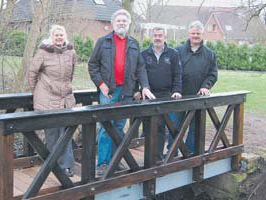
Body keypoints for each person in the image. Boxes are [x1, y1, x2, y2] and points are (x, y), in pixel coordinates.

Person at [88, 9, 155, 175]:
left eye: (124, 21)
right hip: (109, 91)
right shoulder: (103, 42)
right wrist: (101, 84)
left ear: (128, 24)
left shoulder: (133, 43)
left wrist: (144, 86)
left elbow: (140, 67)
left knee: (118, 127)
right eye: (118, 21)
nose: (121, 23)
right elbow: (92, 65)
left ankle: (114, 161)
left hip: (127, 91)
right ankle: (102, 164)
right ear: (113, 23)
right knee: (106, 126)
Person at [27, 25, 76, 177]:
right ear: (52, 37)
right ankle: (54, 165)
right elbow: (32, 73)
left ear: (65, 36)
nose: (59, 37)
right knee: (52, 134)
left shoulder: (71, 52)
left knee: (66, 132)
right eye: (56, 35)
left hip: (65, 98)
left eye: (61, 35)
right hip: (47, 97)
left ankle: (66, 166)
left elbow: (71, 73)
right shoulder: (43, 52)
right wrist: (37, 92)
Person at [168, 20, 218, 154]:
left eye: (198, 33)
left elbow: (212, 74)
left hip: (198, 97)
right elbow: (171, 72)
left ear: (202, 34)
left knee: (195, 127)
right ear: (189, 33)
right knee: (174, 126)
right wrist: (175, 90)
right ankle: (171, 152)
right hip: (179, 96)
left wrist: (206, 86)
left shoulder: (209, 54)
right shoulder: (177, 51)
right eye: (193, 33)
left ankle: (190, 153)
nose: (195, 35)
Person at [136, 27, 182, 160]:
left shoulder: (173, 54)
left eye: (160, 35)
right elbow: (136, 73)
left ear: (165, 37)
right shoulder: (144, 54)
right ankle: (148, 155)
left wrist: (177, 91)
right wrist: (137, 91)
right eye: (155, 35)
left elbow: (178, 74)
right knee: (148, 126)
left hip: (165, 95)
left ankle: (158, 156)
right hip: (148, 95)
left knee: (161, 126)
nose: (157, 38)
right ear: (151, 37)